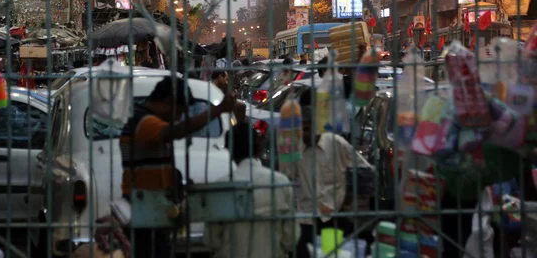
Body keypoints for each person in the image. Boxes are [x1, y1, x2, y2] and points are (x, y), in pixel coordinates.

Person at [120, 77, 236, 258]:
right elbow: (177, 130)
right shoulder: (143, 122)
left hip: (153, 213)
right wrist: (217, 110)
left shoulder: (146, 121)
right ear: (168, 102)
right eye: (180, 111)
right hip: (144, 216)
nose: (180, 117)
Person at [286, 106, 373, 258]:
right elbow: (286, 178)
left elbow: (364, 171)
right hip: (307, 217)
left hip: (335, 215)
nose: (304, 134)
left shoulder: (336, 144)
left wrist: (350, 198)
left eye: (307, 129)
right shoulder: (295, 149)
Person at [205, 122, 298, 258]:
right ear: (259, 148)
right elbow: (290, 239)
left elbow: (212, 241)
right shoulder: (280, 183)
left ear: (229, 152)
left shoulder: (221, 188)